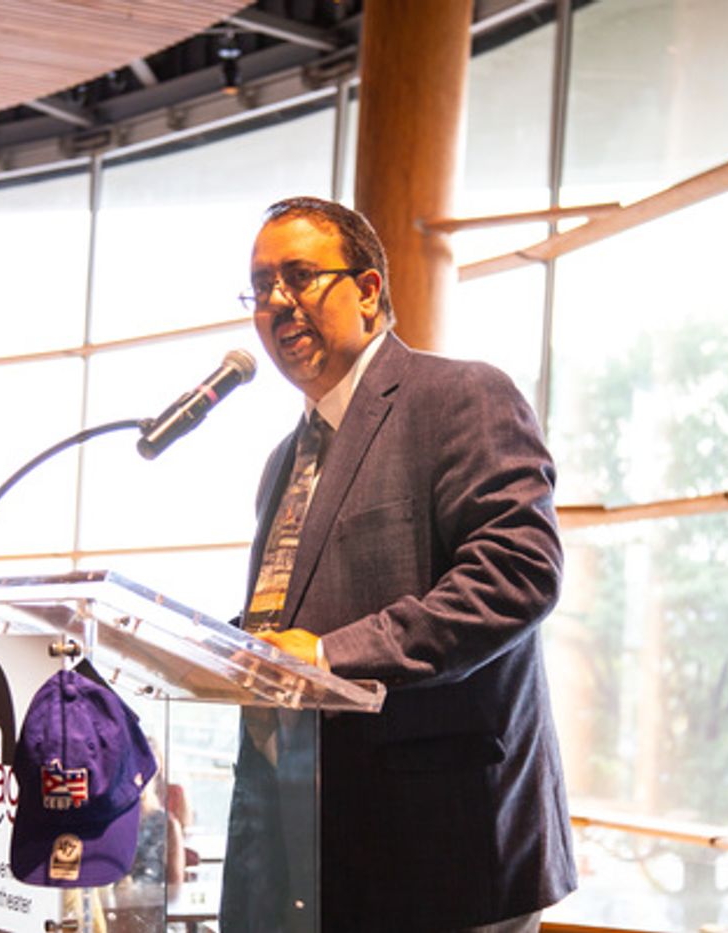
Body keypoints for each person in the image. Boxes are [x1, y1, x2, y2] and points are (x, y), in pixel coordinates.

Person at [220, 197, 576, 932]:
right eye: (261, 287)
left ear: (370, 290)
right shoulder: (283, 460)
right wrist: (224, 650)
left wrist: (326, 656)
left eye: (300, 276)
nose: (278, 303)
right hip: (310, 855)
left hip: (440, 847)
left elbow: (517, 573)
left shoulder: (458, 398)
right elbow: (289, 623)